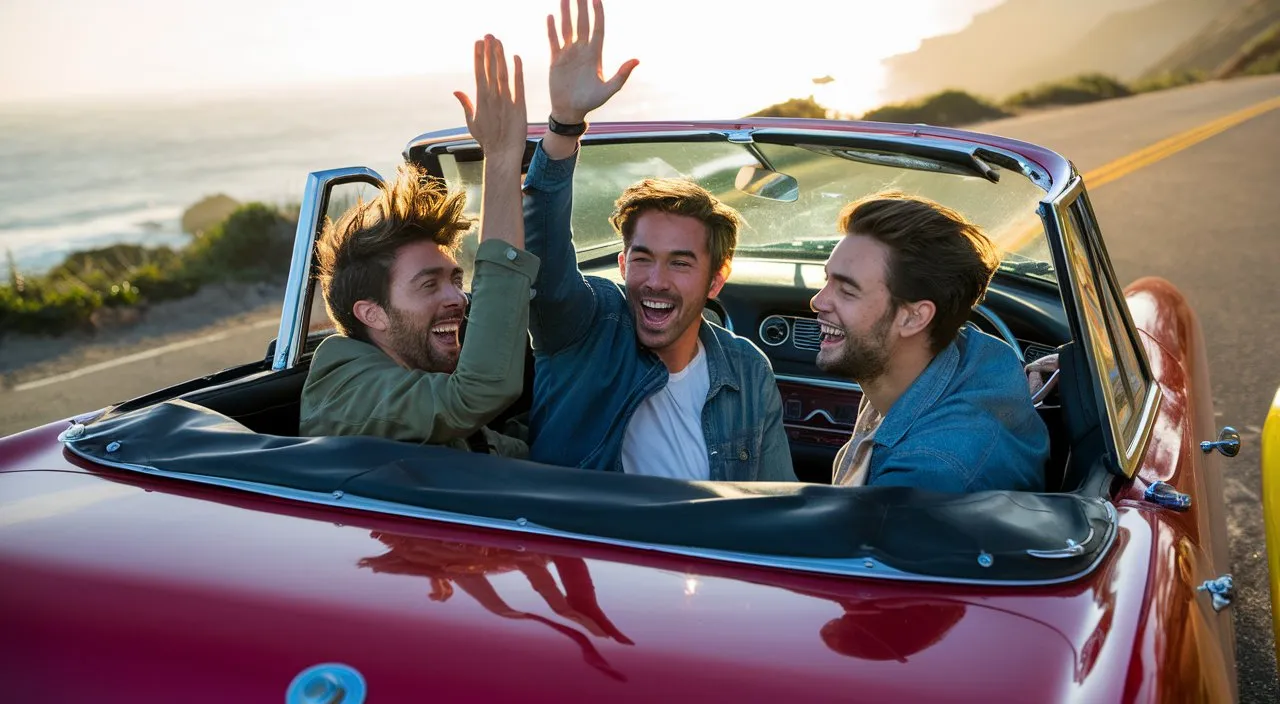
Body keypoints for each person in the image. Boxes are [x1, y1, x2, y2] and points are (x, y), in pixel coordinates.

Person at [519, 0, 794, 481]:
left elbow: (774, 504)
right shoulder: (585, 328)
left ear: (716, 279)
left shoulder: (747, 370)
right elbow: (542, 247)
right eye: (643, 258)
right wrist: (564, 125)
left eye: (681, 263)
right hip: (584, 550)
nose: (656, 281)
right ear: (622, 265)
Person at [300, 35, 538, 457]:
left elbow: (509, 451)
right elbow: (475, 396)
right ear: (371, 313)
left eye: (455, 279)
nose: (458, 299)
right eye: (429, 285)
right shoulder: (345, 390)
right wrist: (501, 159)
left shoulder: (412, 378)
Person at [810, 192, 1048, 492]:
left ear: (913, 318)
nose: (817, 301)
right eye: (827, 280)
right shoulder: (970, 355)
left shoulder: (928, 477)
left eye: (847, 291)